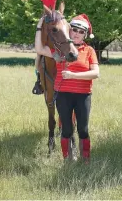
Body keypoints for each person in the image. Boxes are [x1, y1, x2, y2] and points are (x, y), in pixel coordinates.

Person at [35, 14, 99, 162]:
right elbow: (39, 48)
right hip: (63, 95)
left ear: (85, 34)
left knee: (83, 130)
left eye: (81, 31)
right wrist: (40, 24)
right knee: (66, 130)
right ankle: (67, 160)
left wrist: (73, 75)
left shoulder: (89, 50)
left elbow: (96, 73)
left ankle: (85, 160)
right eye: (74, 30)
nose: (77, 33)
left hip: (83, 95)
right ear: (69, 31)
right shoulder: (60, 51)